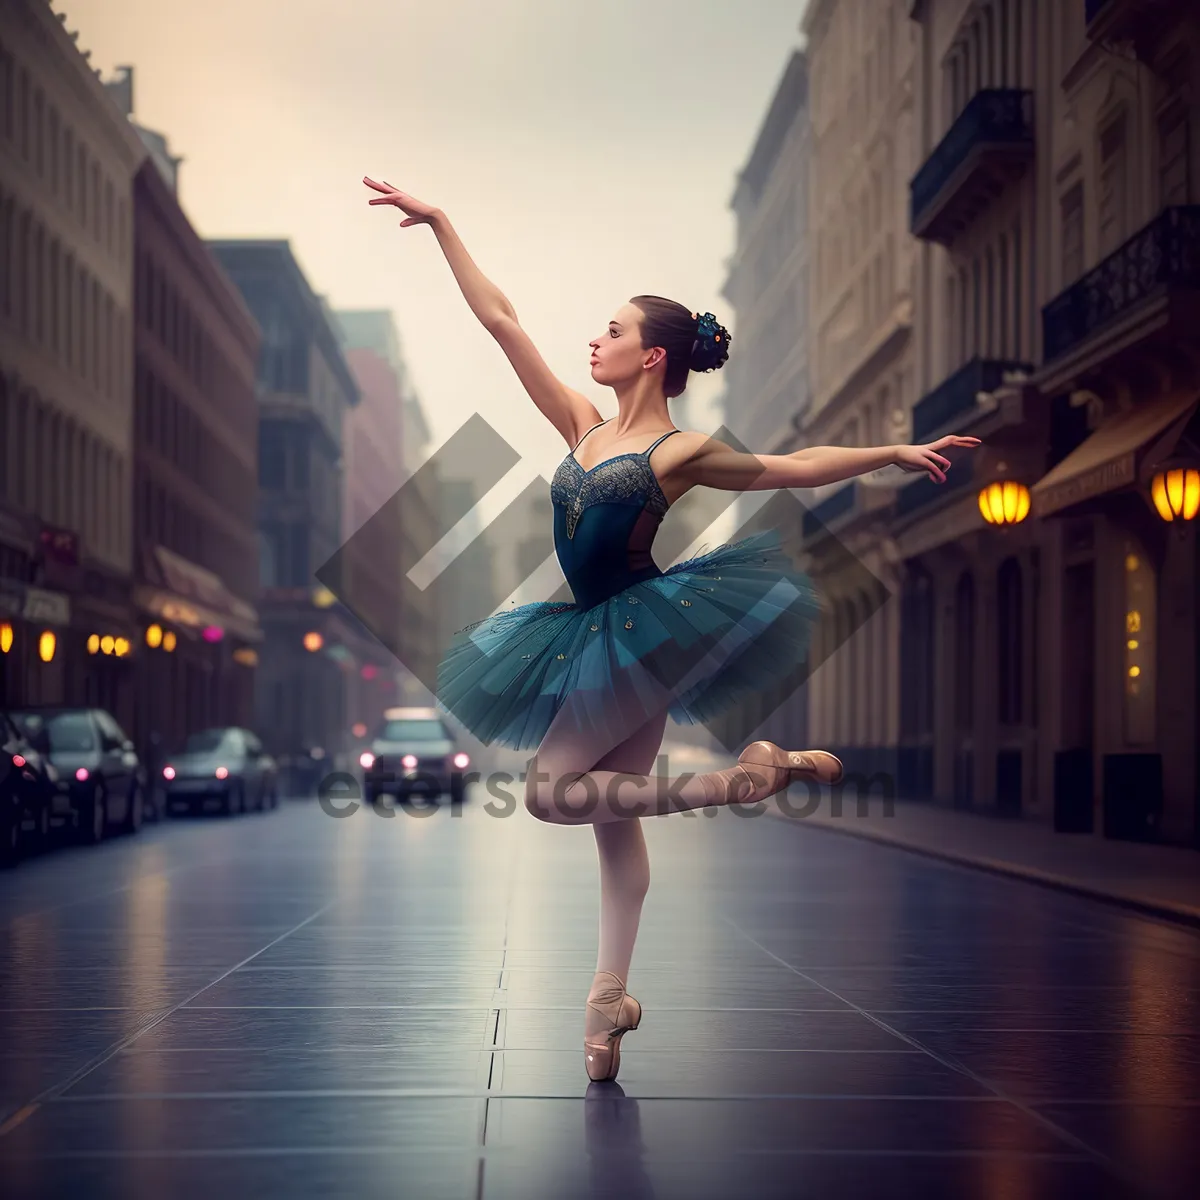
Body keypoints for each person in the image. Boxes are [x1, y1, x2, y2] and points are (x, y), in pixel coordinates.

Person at [364, 176, 980, 1081]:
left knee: (546, 794)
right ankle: (610, 997)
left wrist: (888, 452)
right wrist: (445, 226)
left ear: (653, 357)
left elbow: (792, 466)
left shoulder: (679, 452)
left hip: (645, 631)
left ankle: (738, 786)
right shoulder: (578, 425)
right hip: (588, 631)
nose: (595, 341)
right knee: (613, 827)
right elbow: (503, 323)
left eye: (613, 331)